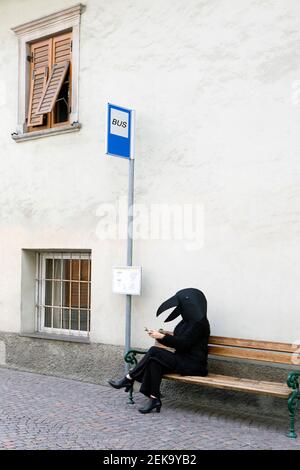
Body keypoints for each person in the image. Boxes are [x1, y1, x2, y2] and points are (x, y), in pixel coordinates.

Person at [108, 288, 210, 414]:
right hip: (182, 360)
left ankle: (129, 378)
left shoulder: (200, 324)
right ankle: (154, 399)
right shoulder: (185, 322)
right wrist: (159, 337)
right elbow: (178, 341)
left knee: (154, 351)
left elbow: (184, 344)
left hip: (194, 365)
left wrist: (162, 337)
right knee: (154, 362)